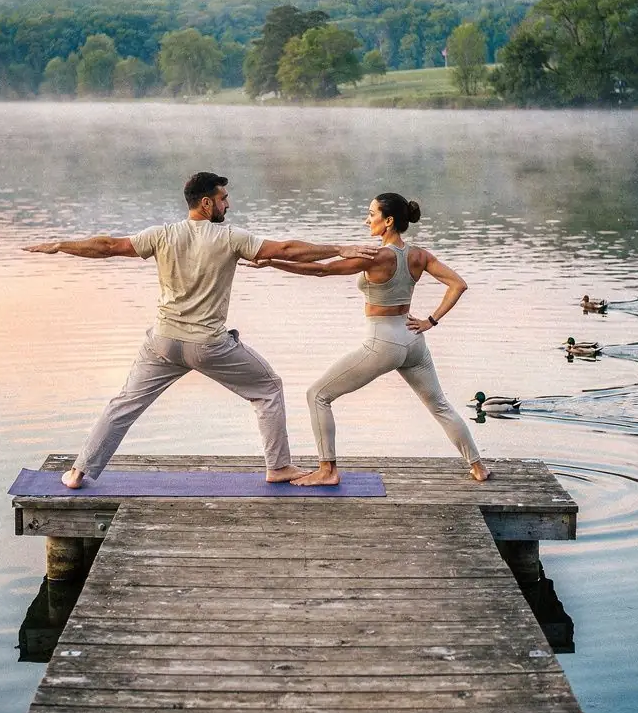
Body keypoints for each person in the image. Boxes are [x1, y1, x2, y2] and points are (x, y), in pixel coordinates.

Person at [24, 171, 375, 488]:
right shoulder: (229, 238)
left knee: (124, 404)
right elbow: (286, 249)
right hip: (207, 344)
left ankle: (77, 472)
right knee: (268, 388)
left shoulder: (161, 235)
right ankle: (279, 466)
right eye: (223, 199)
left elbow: (107, 246)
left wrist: (60, 245)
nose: (228, 204)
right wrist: (338, 248)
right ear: (206, 203)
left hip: (162, 342)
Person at [251, 191, 490, 486]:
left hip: (383, 342)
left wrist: (273, 262)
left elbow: (321, 271)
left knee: (318, 395)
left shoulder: (378, 256)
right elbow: (458, 284)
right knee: (439, 405)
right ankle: (478, 467)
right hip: (413, 341)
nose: (367, 220)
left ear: (388, 221)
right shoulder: (419, 255)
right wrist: (430, 321)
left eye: (371, 214)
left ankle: (327, 471)